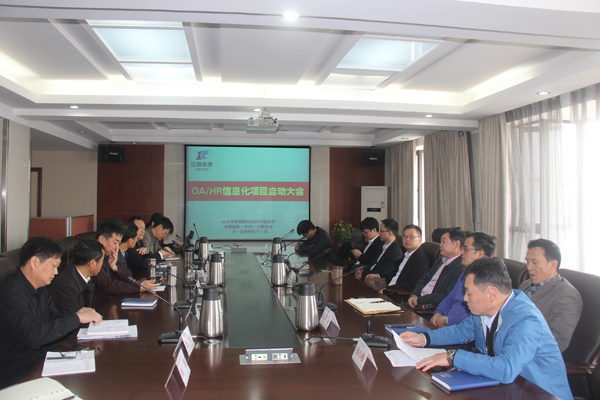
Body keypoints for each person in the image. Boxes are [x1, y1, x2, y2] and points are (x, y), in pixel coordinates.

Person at [401, 257, 572, 400]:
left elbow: (506, 369)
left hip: (538, 393)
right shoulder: (485, 310)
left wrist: (452, 357)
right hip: (502, 388)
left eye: (469, 293)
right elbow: (461, 331)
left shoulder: (526, 320)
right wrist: (424, 338)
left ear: (492, 293)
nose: (465, 299)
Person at [0, 236, 102, 389]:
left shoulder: (40, 288)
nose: (56, 272)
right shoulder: (11, 293)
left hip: (41, 361)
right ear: (34, 262)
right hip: (17, 374)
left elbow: (55, 318)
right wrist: (76, 318)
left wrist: (78, 319)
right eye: (54, 266)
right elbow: (34, 335)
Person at [520, 238, 582, 352]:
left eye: (535, 262)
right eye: (527, 262)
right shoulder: (525, 285)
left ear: (553, 264)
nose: (529, 267)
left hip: (531, 355)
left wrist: (517, 349)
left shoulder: (567, 295)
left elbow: (557, 342)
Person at [430, 231, 496, 327]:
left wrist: (448, 320)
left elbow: (477, 318)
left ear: (480, 254)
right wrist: (439, 312)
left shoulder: (487, 281)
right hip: (447, 325)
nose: (462, 253)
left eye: (466, 249)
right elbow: (450, 298)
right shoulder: (464, 275)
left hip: (462, 329)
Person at [92, 221, 158, 309]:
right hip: (101, 307)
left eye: (118, 243)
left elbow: (128, 276)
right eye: (115, 242)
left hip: (112, 302)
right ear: (102, 239)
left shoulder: (109, 255)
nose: (117, 247)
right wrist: (138, 287)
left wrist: (115, 267)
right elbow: (108, 285)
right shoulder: (93, 259)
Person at [406, 228, 464, 309]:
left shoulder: (460, 268)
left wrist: (420, 300)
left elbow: (447, 296)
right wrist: (414, 295)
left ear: (456, 244)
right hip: (418, 302)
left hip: (430, 308)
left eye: (443, 242)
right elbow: (425, 279)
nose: (440, 245)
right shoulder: (440, 260)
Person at [49, 239, 104, 315]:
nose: (102, 264)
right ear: (92, 263)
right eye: (102, 261)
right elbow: (74, 318)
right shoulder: (66, 286)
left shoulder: (81, 275)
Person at [382, 224, 430, 293]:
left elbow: (414, 284)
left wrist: (387, 289)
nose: (407, 239)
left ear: (420, 240)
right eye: (405, 236)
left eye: (411, 237)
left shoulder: (421, 260)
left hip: (397, 294)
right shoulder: (405, 254)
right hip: (389, 288)